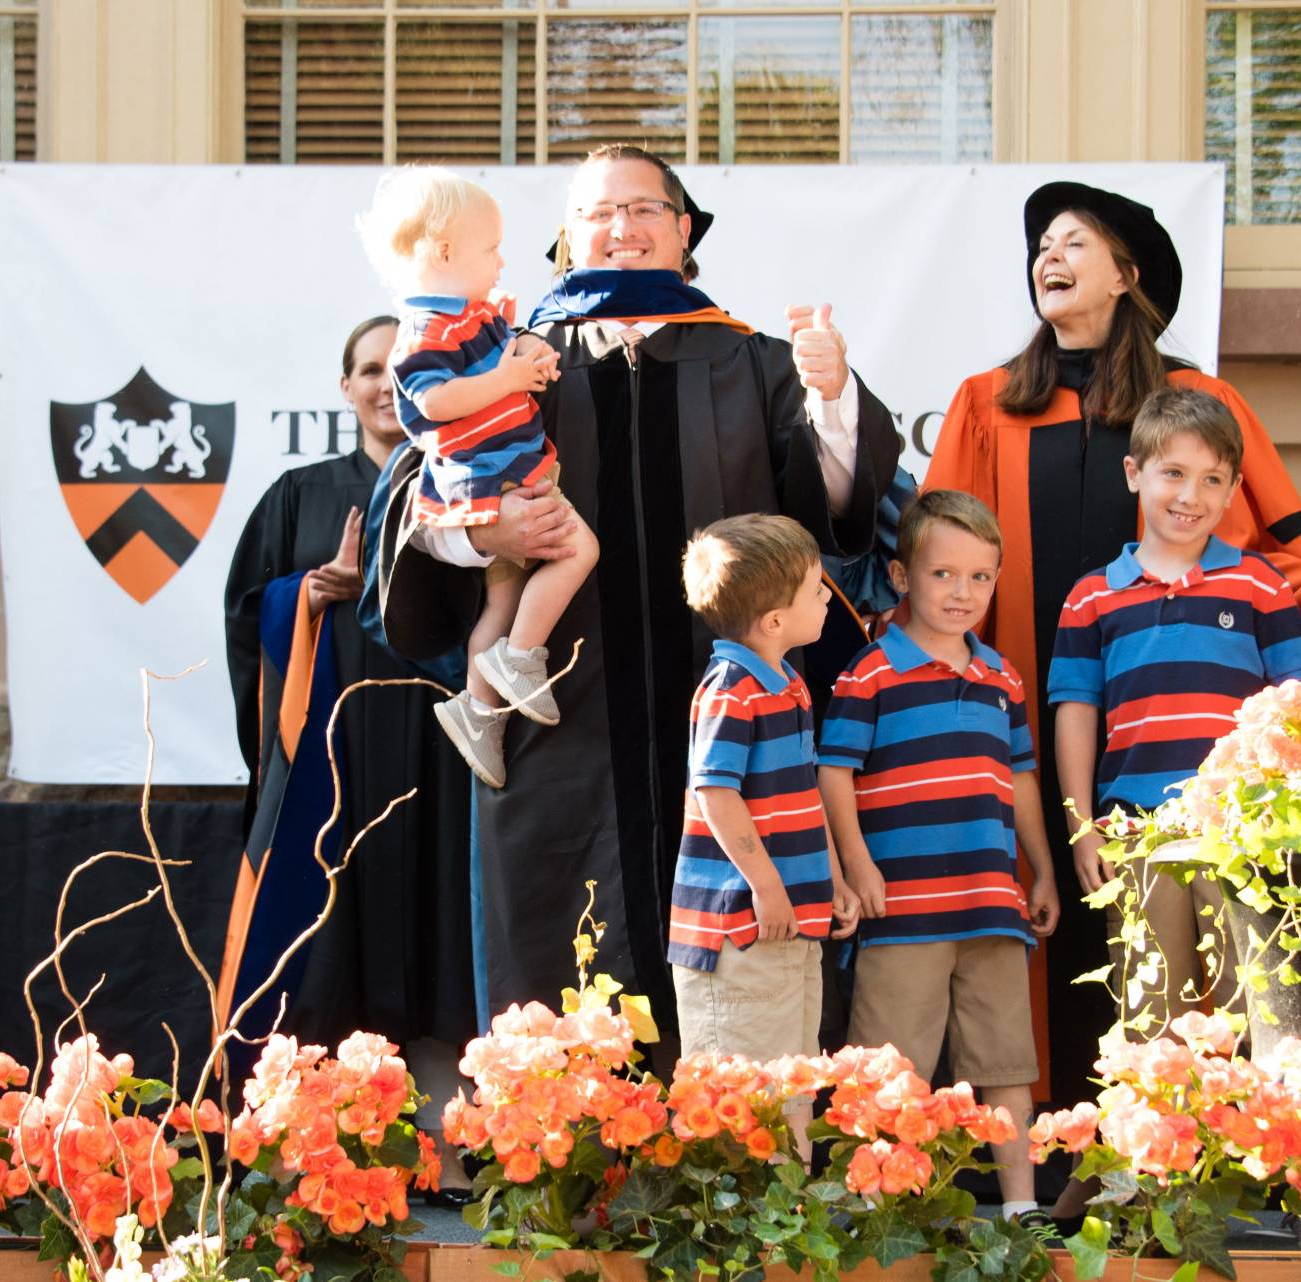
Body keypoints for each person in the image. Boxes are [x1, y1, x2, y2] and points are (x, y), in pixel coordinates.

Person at [373, 144, 899, 1027]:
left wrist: (834, 397)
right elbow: (410, 499)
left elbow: (841, 510)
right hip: (560, 715)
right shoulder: (508, 356)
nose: (621, 226)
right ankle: (572, 1118)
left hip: (733, 717)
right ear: (567, 236)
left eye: (644, 208)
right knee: (568, 978)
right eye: (596, 213)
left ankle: (734, 1120)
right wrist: (483, 534)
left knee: (743, 1007)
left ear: (683, 229)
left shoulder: (754, 362)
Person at [922, 181, 1301, 1107]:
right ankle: (1043, 1132)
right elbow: (940, 562)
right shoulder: (987, 402)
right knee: (1042, 892)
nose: (1049, 257)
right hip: (1035, 718)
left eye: (1073, 243)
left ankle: (1185, 1132)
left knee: (1181, 966)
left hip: (1181, 753)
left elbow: (1282, 559)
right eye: (1042, 245)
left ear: (1125, 275)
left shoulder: (1200, 401)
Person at [221, 314, 475, 1192]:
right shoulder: (299, 495)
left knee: (444, 930)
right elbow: (246, 612)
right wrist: (308, 595)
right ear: (346, 388)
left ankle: (449, 1143)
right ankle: (313, 1147)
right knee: (329, 934)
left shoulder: (466, 488)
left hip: (440, 757)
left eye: (403, 370)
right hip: (334, 758)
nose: (384, 386)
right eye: (370, 370)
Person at [818, 490, 1059, 1221]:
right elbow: (834, 773)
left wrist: (1042, 869)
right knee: (888, 1068)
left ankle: (1020, 1208)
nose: (962, 593)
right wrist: (856, 864)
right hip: (903, 912)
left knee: (1006, 1061)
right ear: (901, 576)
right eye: (942, 574)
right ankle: (872, 1210)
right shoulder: (869, 674)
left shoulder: (1002, 677)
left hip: (990, 906)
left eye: (980, 577)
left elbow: (1021, 778)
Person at [1048, 389, 1301, 1027]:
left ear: (1233, 492)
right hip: (1136, 832)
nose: (1190, 495)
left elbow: (1299, 706)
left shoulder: (1259, 584)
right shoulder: (1090, 598)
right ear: (1134, 473)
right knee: (1150, 1012)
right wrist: (1083, 827)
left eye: (1211, 480)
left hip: (1245, 828)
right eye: (1173, 473)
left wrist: (1291, 815)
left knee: (1255, 1007)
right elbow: (1076, 714)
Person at [355, 167, 599, 789]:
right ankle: (519, 657)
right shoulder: (423, 331)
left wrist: (526, 353)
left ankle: (478, 713)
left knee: (503, 600)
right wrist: (507, 378)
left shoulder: (473, 317)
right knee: (580, 549)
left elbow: (501, 356)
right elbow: (434, 402)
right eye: (490, 248)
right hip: (494, 479)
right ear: (443, 252)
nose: (500, 261)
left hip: (502, 472)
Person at [673, 515, 860, 1155]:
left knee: (792, 1088)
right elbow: (715, 793)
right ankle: (752, 1212)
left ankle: (789, 1206)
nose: (827, 597)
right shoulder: (731, 690)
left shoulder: (789, 686)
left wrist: (832, 880)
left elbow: (803, 796)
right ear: (774, 621)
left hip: (792, 925)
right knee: (742, 1099)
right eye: (815, 589)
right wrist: (768, 888)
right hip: (740, 932)